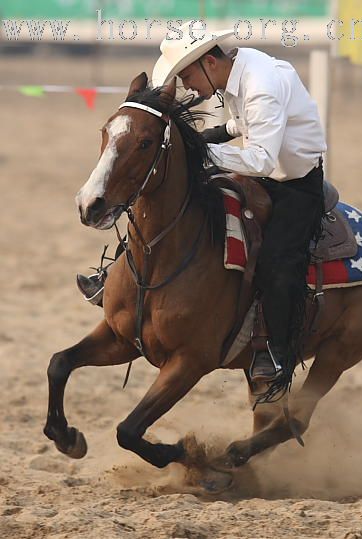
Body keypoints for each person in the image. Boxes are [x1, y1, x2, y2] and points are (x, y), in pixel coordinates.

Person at [77, 22, 327, 392]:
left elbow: (260, 158)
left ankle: (275, 353)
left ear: (210, 62)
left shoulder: (261, 85)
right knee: (173, 203)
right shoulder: (237, 74)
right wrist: (213, 136)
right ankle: (115, 275)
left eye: (188, 74)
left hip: (294, 187)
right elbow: (242, 125)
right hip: (263, 171)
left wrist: (198, 150)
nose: (187, 85)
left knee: (278, 262)